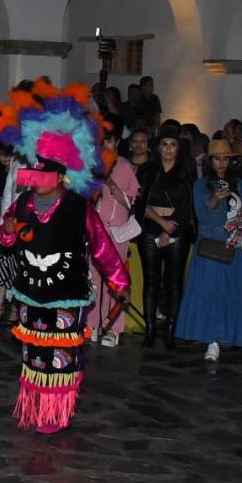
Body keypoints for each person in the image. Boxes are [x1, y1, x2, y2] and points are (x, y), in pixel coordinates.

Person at [0, 79, 131, 435]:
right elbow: (5, 242)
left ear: (62, 176)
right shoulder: (23, 203)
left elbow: (102, 249)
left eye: (44, 171)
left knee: (60, 355)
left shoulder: (78, 207)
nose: (35, 176)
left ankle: (56, 410)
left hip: (65, 293)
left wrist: (119, 282)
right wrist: (7, 231)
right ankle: (34, 405)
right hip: (30, 291)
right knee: (33, 352)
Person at [176, 138, 242, 361]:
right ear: (210, 161)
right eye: (217, 159)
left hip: (236, 247)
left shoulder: (241, 184)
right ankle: (213, 341)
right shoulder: (201, 185)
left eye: (225, 159)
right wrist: (215, 200)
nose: (221, 163)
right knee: (210, 296)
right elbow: (201, 216)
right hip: (212, 246)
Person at [136, 124, 196, 349]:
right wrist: (161, 224)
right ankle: (150, 329)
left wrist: (169, 229)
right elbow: (140, 202)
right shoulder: (147, 170)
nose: (169, 149)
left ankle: (171, 330)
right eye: (165, 144)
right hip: (151, 226)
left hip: (178, 229)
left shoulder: (186, 170)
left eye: (173, 145)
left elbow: (188, 204)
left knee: (174, 281)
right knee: (151, 280)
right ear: (158, 147)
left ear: (178, 148)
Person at [90, 128, 142, 346]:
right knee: (93, 279)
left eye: (109, 141)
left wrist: (111, 185)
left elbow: (131, 203)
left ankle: (113, 327)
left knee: (115, 281)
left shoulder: (125, 167)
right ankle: (92, 324)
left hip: (117, 231)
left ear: (118, 142)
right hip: (96, 229)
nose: (106, 146)